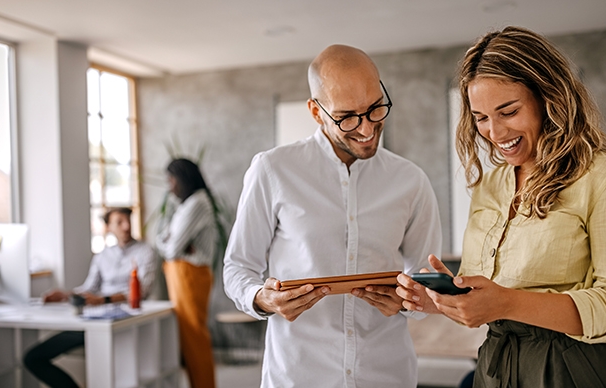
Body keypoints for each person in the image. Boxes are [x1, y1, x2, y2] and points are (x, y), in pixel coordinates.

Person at [396, 26, 606, 388]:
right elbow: (489, 301)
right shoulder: (490, 186)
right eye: (481, 117)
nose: (494, 131)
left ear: (549, 99)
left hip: (579, 369)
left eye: (508, 111)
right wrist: (443, 302)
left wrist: (506, 303)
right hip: (497, 367)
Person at [223, 44, 443, 387]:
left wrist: (409, 300)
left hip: (386, 374)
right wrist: (263, 298)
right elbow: (238, 267)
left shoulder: (411, 181)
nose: (367, 128)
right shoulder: (273, 170)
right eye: (347, 117)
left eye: (375, 109)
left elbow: (425, 278)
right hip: (298, 375)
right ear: (316, 111)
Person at [24, 207, 156, 388]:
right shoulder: (102, 256)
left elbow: (142, 291)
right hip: (96, 320)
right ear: (108, 227)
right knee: (33, 358)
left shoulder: (146, 251)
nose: (126, 226)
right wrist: (65, 295)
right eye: (119, 222)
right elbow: (89, 289)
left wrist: (104, 300)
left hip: (126, 322)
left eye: (128, 221)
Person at [155, 158, 218, 388]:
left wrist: (171, 243)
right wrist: (171, 243)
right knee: (188, 338)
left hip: (190, 275)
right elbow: (162, 238)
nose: (169, 185)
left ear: (183, 178)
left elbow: (170, 249)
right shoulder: (185, 204)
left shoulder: (198, 203)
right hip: (181, 275)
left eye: (171, 179)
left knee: (195, 337)